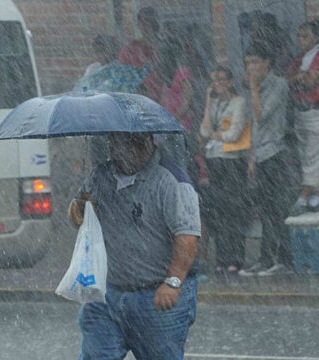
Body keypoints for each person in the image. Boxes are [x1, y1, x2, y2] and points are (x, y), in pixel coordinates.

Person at [69, 132, 201, 359]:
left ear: (147, 142)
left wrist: (173, 282)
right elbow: (75, 219)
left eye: (130, 142)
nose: (121, 150)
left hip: (155, 296)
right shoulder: (101, 175)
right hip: (108, 295)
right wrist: (82, 205)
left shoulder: (172, 181)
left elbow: (188, 235)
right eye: (115, 142)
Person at [239, 44, 293, 277]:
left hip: (275, 153)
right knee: (263, 209)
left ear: (267, 63)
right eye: (248, 63)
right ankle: (265, 258)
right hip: (259, 155)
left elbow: (262, 115)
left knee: (275, 208)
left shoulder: (278, 85)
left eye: (255, 62)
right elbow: (253, 126)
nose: (251, 68)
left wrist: (253, 88)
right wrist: (251, 159)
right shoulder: (257, 88)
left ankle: (282, 259)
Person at [200, 65, 250, 274]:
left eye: (221, 80)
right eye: (215, 80)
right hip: (214, 160)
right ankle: (222, 256)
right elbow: (203, 130)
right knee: (219, 210)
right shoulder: (215, 104)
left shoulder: (239, 102)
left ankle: (236, 256)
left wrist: (216, 134)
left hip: (231, 159)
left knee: (233, 209)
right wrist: (208, 101)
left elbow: (234, 133)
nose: (218, 84)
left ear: (230, 81)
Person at [286, 21, 319, 215]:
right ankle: (315, 196)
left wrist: (302, 78)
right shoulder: (299, 59)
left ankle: (305, 195)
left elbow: (311, 80)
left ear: (315, 37)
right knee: (305, 154)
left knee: (312, 154)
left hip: (315, 110)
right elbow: (288, 80)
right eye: (299, 36)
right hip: (300, 111)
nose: (300, 40)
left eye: (305, 35)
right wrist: (301, 77)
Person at [118, 6, 162, 102]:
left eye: (151, 21)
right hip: (137, 102)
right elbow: (122, 78)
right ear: (138, 24)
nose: (148, 25)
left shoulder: (164, 48)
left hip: (164, 102)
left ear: (157, 23)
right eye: (144, 22)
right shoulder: (129, 51)